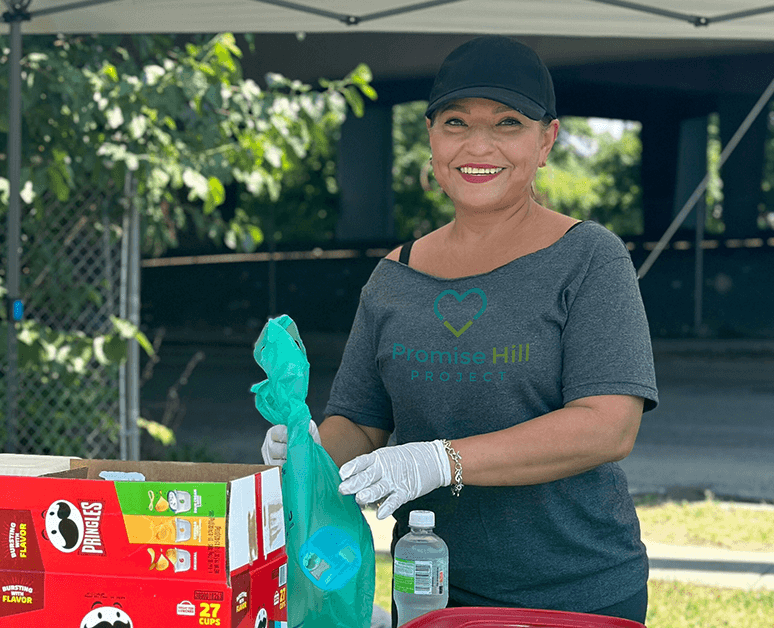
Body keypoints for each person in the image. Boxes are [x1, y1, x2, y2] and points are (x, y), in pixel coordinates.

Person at [262, 36, 657, 624]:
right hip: (427, 590)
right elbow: (362, 423)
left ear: (546, 140)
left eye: (507, 123)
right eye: (455, 123)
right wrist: (310, 449)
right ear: (430, 138)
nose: (478, 145)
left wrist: (443, 461)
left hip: (577, 591)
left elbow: (607, 426)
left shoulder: (590, 258)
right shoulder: (393, 277)